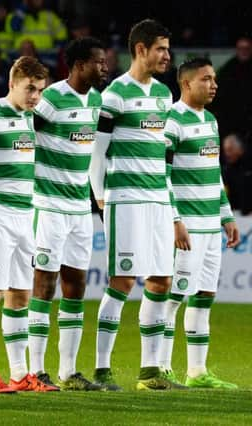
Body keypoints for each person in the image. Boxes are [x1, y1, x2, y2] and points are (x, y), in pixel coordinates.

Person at [88, 19, 185, 391]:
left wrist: (173, 210)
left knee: (161, 280)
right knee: (123, 280)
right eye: (160, 48)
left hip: (158, 200)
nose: (167, 55)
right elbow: (98, 153)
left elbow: (162, 157)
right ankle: (101, 368)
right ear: (140, 49)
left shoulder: (164, 95)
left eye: (168, 48)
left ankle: (149, 371)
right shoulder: (114, 95)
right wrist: (99, 195)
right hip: (125, 199)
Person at [30, 37, 107, 391]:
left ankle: (69, 371)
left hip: (79, 209)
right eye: (98, 62)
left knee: (75, 285)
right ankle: (35, 369)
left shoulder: (95, 101)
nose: (104, 67)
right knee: (44, 284)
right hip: (47, 204)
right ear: (78, 65)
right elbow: (24, 133)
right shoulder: (51, 99)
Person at [159, 58, 240, 388]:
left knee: (204, 296)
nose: (214, 84)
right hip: (187, 226)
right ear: (187, 84)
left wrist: (227, 215)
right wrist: (175, 220)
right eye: (207, 79)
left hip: (210, 226)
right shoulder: (171, 121)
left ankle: (197, 371)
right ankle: (159, 366)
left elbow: (214, 173)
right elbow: (161, 175)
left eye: (215, 79)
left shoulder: (210, 120)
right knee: (173, 296)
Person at [0, 55, 47, 394]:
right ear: (13, 83)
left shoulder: (30, 119)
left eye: (40, 91)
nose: (35, 97)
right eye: (30, 89)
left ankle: (19, 374)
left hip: (24, 214)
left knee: (20, 294)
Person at [221, 133, 252, 214]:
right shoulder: (227, 169)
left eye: (230, 149)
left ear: (240, 149)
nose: (227, 154)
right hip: (237, 215)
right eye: (226, 150)